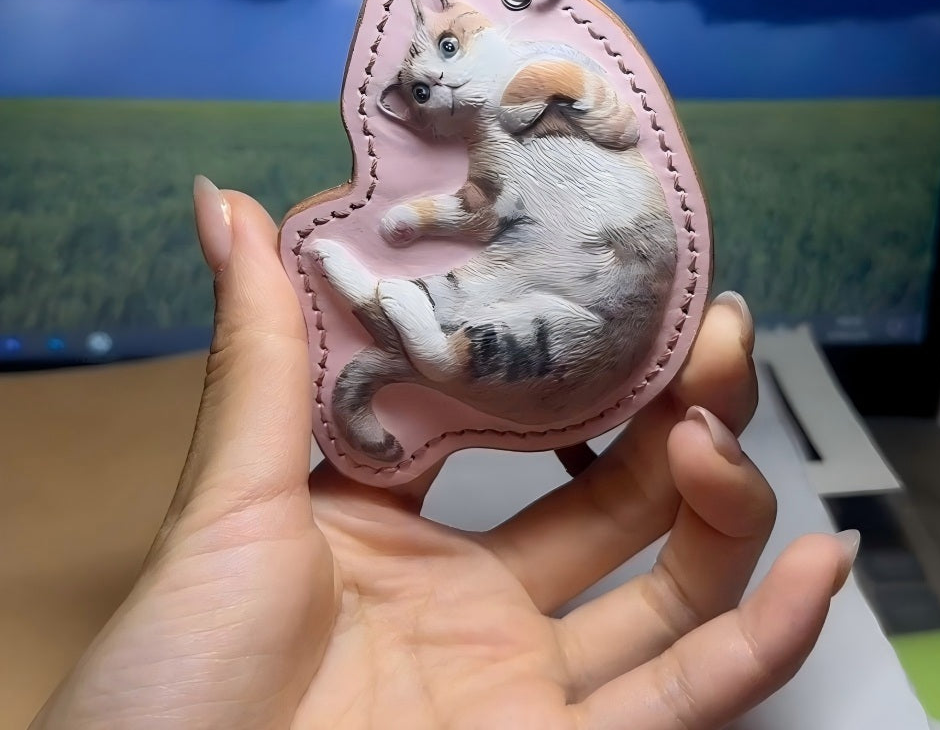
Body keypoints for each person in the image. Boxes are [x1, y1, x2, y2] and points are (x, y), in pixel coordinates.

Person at [31, 180, 858, 730]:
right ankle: (408, 322)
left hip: (555, 306)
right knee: (455, 326)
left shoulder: (554, 135)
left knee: (467, 338)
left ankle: (409, 324)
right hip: (516, 290)